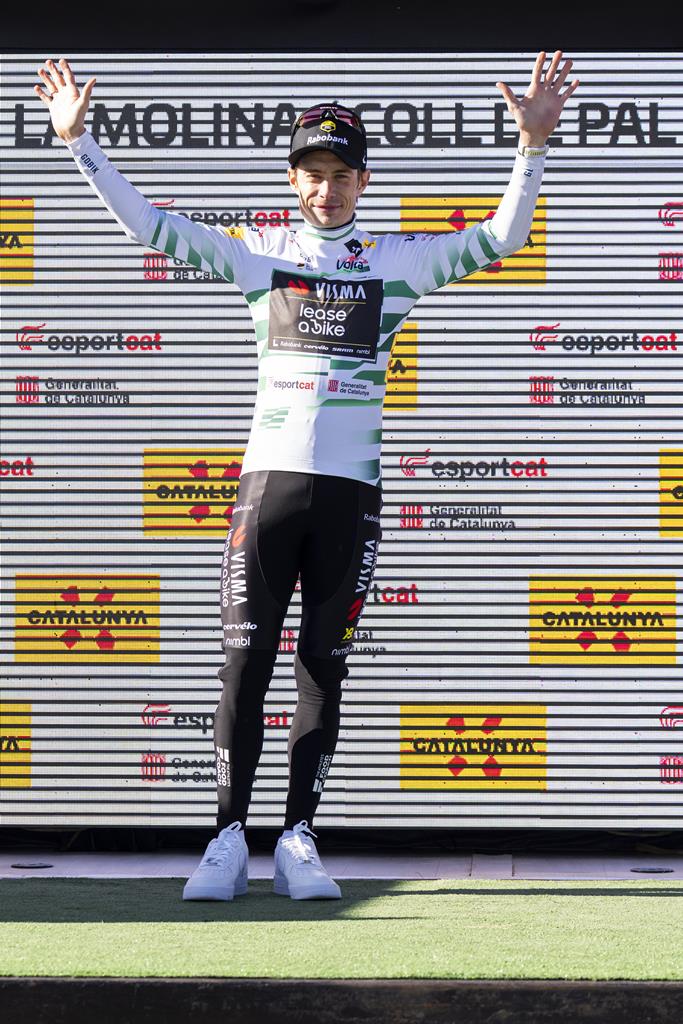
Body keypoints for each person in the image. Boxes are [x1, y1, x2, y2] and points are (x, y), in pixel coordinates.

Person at [35, 52, 579, 901]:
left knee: (323, 668)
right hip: (268, 491)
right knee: (242, 666)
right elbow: (148, 225)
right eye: (313, 173)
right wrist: (79, 143)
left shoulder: (395, 262)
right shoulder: (259, 253)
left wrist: (531, 147)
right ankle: (225, 839)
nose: (327, 188)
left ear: (363, 181)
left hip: (349, 496)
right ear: (293, 180)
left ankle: (297, 839)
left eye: (341, 174)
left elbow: (500, 238)